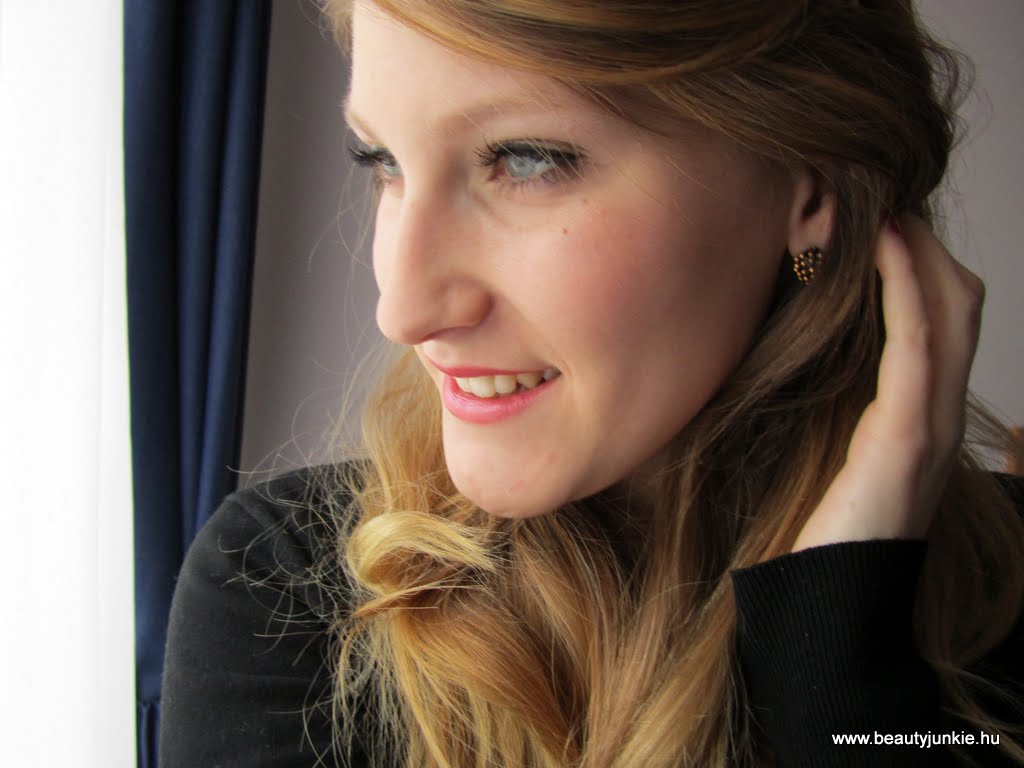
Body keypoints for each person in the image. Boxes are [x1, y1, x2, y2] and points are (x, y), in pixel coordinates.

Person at [159, 1, 1024, 766]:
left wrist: (845, 669)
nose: (404, 309)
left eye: (526, 160)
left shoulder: (1010, 597)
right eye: (383, 161)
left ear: (809, 189)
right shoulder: (287, 594)